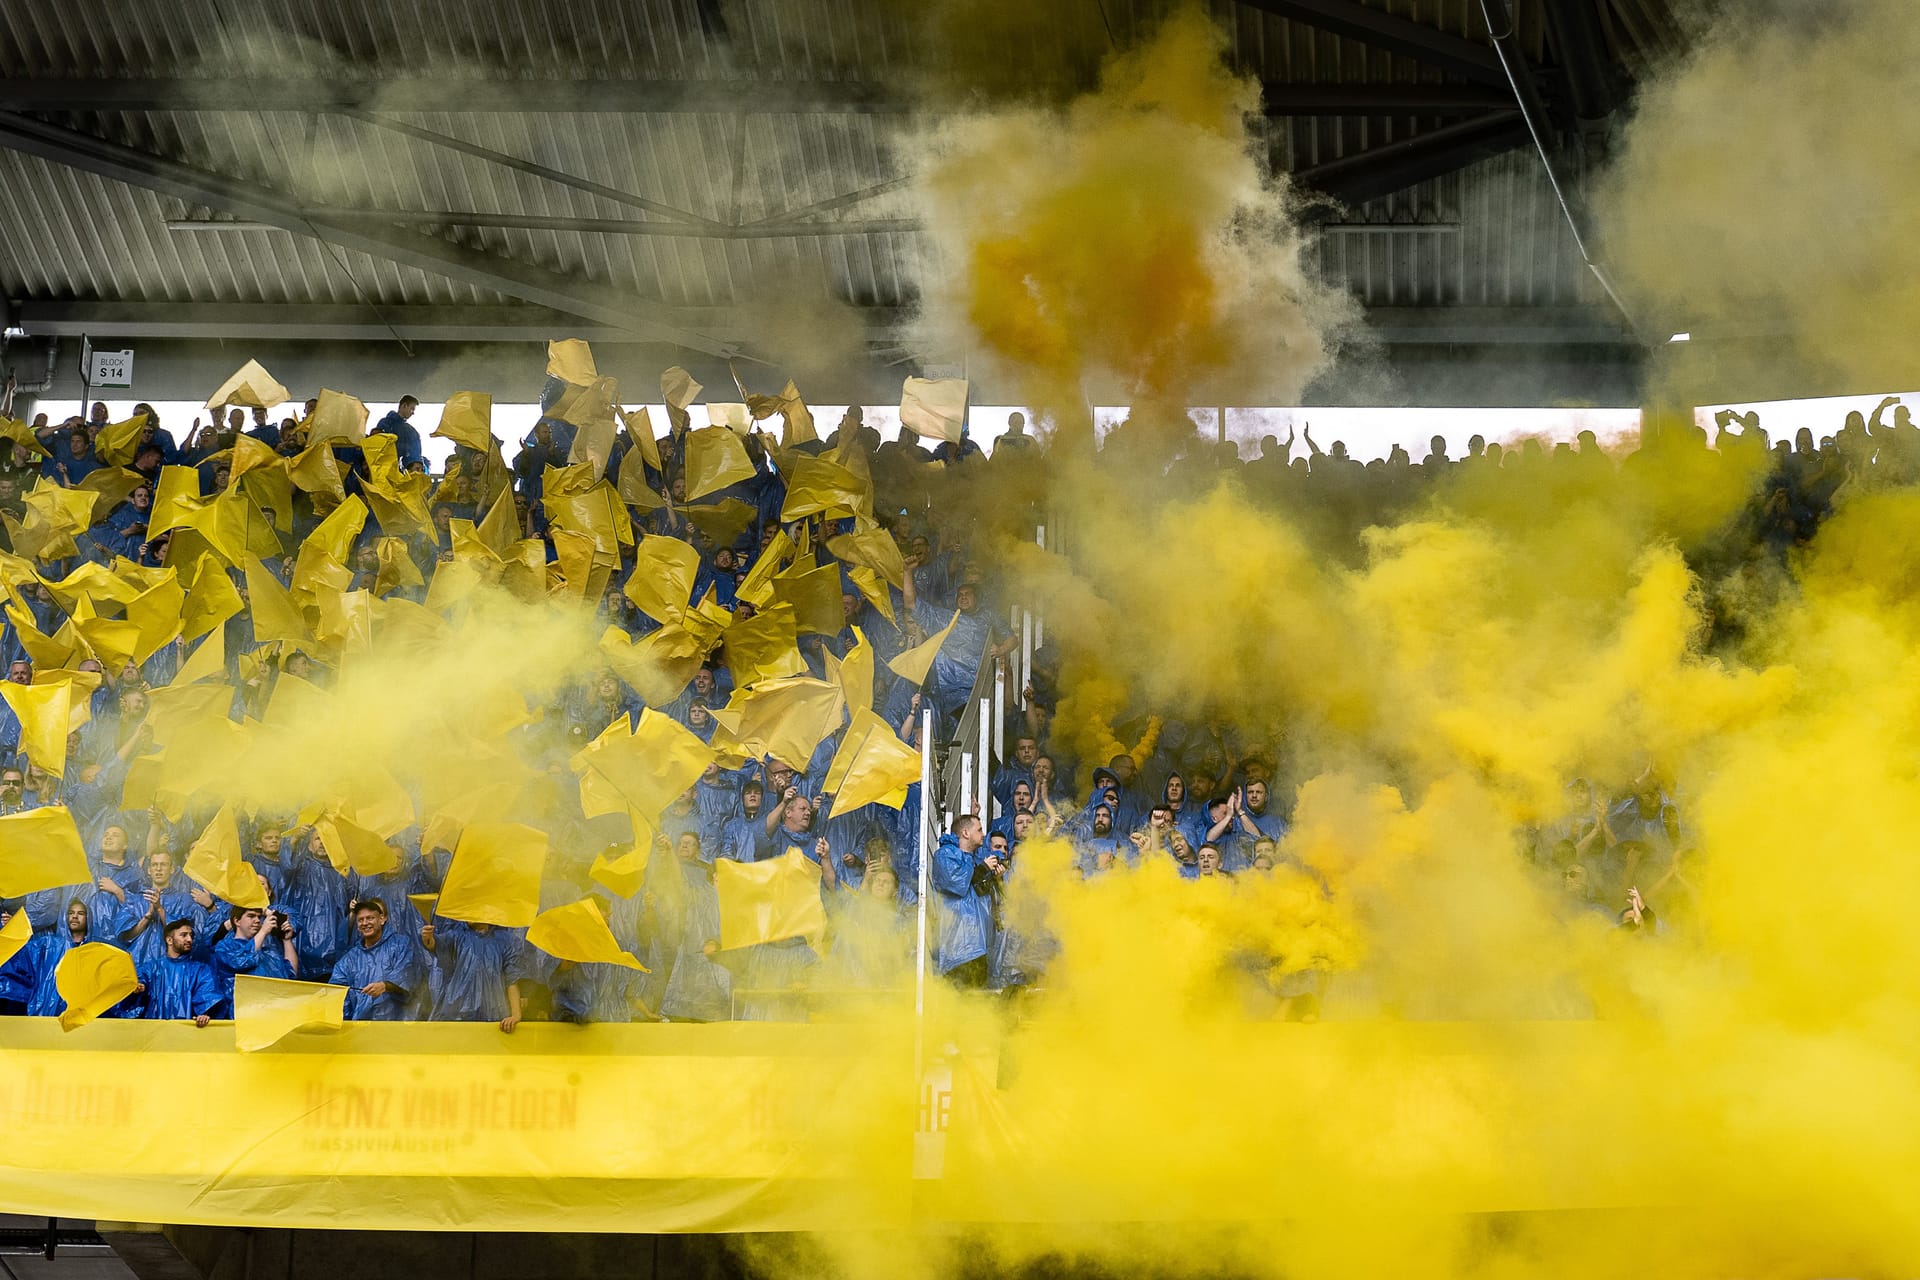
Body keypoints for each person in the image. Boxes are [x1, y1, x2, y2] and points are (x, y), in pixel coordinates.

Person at [420, 917, 524, 1031]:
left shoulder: (505, 941)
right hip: (457, 1014)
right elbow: (437, 944)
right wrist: (429, 939)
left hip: (493, 1016)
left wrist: (515, 1015)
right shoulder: (457, 936)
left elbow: (512, 980)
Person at [331, 898, 424, 1021]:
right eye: (360, 920)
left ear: (382, 919)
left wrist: (386, 985)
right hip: (361, 1028)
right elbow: (338, 992)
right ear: (357, 926)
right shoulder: (349, 959)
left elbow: (408, 974)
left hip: (395, 1025)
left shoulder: (401, 944)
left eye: (370, 918)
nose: (365, 923)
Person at [931, 814, 993, 986]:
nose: (983, 834)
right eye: (979, 829)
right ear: (965, 833)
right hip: (956, 946)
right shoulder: (945, 854)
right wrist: (982, 869)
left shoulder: (974, 860)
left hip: (978, 946)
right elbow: (956, 883)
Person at [210, 903, 299, 1015]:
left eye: (259, 917)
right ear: (237, 921)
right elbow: (239, 962)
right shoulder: (224, 947)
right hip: (243, 1016)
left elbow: (291, 974)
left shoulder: (268, 952)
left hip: (273, 1014)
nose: (257, 921)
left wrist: (287, 940)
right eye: (251, 916)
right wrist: (263, 932)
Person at [135, 919, 222, 1025]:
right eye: (184, 935)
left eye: (191, 935)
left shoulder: (201, 970)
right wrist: (138, 989)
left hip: (187, 1034)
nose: (189, 939)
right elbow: (136, 988)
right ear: (169, 940)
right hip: (155, 1033)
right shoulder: (151, 968)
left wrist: (204, 1014)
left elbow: (207, 997)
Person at [371, 396, 424, 471]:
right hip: (379, 467)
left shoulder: (411, 431)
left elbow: (414, 453)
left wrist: (414, 465)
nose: (413, 413)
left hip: (393, 469)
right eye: (412, 409)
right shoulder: (385, 423)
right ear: (404, 405)